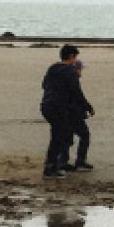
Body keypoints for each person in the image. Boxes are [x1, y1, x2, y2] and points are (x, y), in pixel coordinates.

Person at [40, 44, 90, 178]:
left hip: (46, 105)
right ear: (71, 57)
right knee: (59, 136)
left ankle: (56, 163)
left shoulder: (52, 68)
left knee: (61, 134)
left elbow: (44, 85)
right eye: (75, 57)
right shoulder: (70, 72)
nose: (75, 59)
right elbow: (77, 92)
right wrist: (88, 107)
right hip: (58, 107)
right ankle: (51, 167)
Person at [58, 60, 95, 172]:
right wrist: (89, 108)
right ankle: (79, 161)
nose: (81, 71)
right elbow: (78, 96)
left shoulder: (63, 80)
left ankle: (63, 161)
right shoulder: (73, 80)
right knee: (85, 136)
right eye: (80, 69)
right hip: (73, 114)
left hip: (66, 112)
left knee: (67, 138)